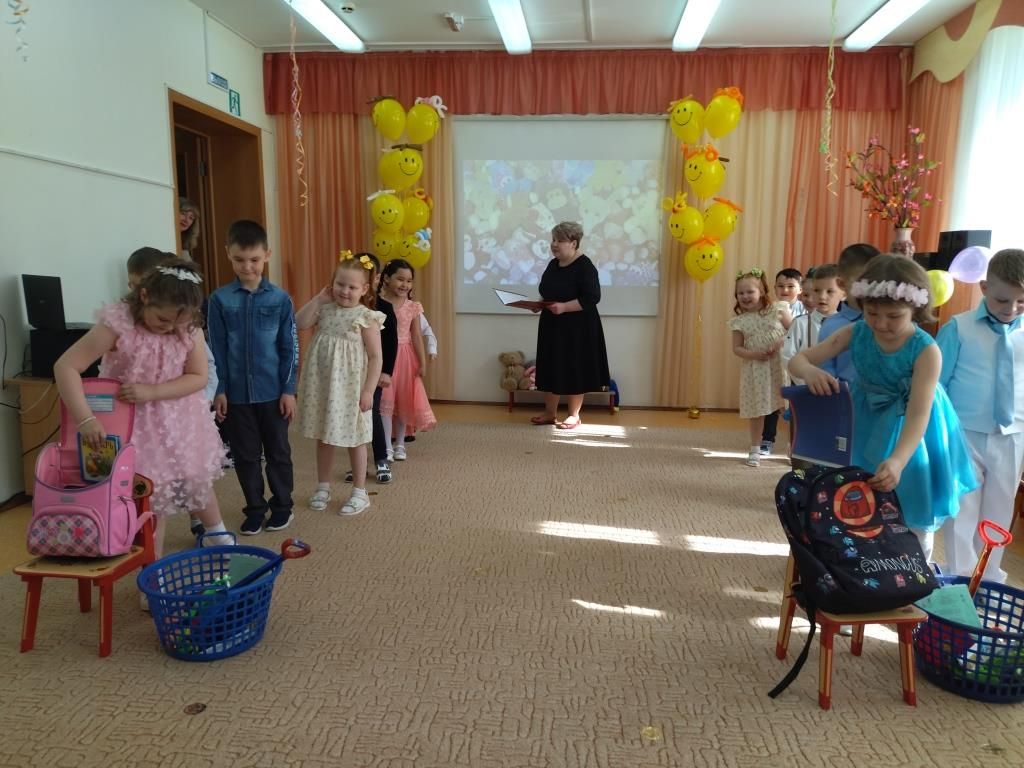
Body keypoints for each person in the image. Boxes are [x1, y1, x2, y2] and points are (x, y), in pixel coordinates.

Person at [789, 254, 978, 560]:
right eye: (872, 313)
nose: (880, 323)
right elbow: (799, 360)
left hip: (913, 432)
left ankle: (915, 568)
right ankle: (864, 564)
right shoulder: (856, 332)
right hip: (865, 420)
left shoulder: (926, 350)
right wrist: (809, 371)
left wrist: (898, 461)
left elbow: (919, 414)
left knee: (911, 502)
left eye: (894, 316)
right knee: (858, 495)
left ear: (915, 309)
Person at [53, 259, 233, 570]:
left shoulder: (187, 328)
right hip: (130, 424)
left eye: (177, 323)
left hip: (179, 418)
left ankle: (220, 538)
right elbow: (66, 366)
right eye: (163, 319)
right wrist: (85, 419)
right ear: (145, 295)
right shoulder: (118, 324)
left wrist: (152, 391)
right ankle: (153, 570)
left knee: (196, 479)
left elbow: (198, 376)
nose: (169, 328)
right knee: (150, 496)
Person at [938, 248, 1024, 582]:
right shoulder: (958, 328)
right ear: (985, 287)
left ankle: (987, 580)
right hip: (963, 432)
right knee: (962, 507)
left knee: (1000, 509)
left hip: (1013, 434)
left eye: (1021, 302)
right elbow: (937, 384)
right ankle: (961, 579)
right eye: (1003, 300)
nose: (1011, 309)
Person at [207, 220, 298, 536]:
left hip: (273, 392)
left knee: (278, 453)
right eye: (239, 259)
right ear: (228, 255)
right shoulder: (219, 300)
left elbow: (289, 348)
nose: (247, 266)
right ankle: (255, 509)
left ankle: (282, 506)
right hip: (236, 395)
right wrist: (219, 389)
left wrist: (289, 390)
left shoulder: (280, 299)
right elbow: (215, 349)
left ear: (267, 255)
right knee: (245, 456)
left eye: (254, 259)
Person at [126, 246, 217, 538]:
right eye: (132, 285)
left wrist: (203, 403)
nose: (135, 292)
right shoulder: (131, 322)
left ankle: (212, 530)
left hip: (183, 409)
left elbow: (202, 374)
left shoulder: (185, 327)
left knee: (191, 471)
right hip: (146, 415)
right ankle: (156, 555)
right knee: (157, 480)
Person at [297, 254, 385, 516]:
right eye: (340, 284)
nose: (345, 291)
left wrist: (368, 391)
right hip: (324, 387)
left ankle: (359, 491)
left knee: (355, 439)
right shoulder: (324, 309)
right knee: (324, 436)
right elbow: (299, 322)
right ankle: (323, 486)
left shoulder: (366, 317)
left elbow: (376, 357)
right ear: (331, 283)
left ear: (364, 289)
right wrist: (318, 299)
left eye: (352, 287)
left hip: (351, 389)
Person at [530, 221, 610, 429]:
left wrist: (564, 307)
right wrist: (539, 304)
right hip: (552, 325)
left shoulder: (585, 266)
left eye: (559, 240)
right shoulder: (553, 264)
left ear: (573, 243)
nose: (554, 244)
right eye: (553, 240)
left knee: (575, 367)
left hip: (578, 328)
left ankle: (574, 415)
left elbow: (592, 298)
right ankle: (550, 414)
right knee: (551, 365)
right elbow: (547, 290)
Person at [728, 268, 793, 467]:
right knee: (758, 409)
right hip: (756, 371)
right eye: (741, 293)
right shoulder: (739, 322)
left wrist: (780, 342)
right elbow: (737, 348)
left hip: (780, 367)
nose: (745, 296)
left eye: (750, 291)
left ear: (762, 291)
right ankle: (755, 448)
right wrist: (754, 354)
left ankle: (794, 447)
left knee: (789, 408)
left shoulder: (778, 309)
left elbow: (794, 331)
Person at [378, 258, 436, 460]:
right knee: (385, 401)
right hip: (384, 357)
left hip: (406, 358)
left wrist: (422, 362)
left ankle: (400, 444)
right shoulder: (377, 303)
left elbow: (416, 336)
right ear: (387, 278)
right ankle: (386, 445)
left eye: (409, 281)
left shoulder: (413, 306)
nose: (405, 285)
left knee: (404, 400)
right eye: (400, 279)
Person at [817, 243, 881, 383]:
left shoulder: (888, 320)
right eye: (862, 282)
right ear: (841, 284)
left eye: (875, 282)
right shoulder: (831, 326)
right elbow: (826, 374)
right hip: (846, 395)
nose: (869, 288)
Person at [760, 268, 807, 454]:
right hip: (774, 363)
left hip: (795, 365)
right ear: (774, 288)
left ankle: (795, 443)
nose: (785, 290)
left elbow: (801, 334)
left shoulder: (805, 309)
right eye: (780, 286)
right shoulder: (768, 309)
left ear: (800, 289)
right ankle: (767, 439)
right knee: (772, 402)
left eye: (790, 286)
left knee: (796, 405)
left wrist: (785, 334)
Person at [781, 264, 844, 384]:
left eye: (830, 291)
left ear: (844, 294)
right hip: (805, 387)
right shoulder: (800, 323)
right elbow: (787, 355)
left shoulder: (847, 326)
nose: (822, 296)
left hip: (839, 389)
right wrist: (805, 380)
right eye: (817, 290)